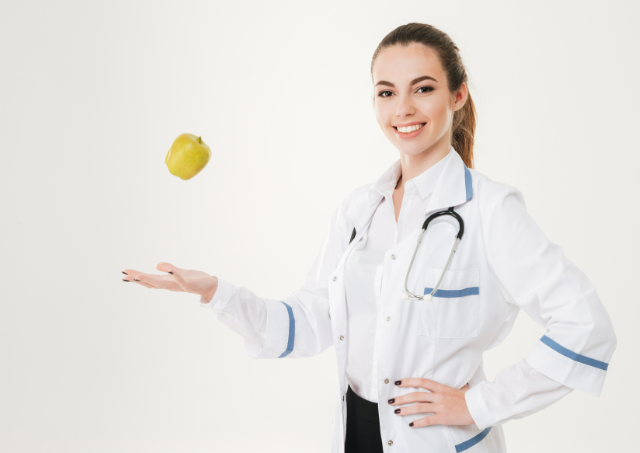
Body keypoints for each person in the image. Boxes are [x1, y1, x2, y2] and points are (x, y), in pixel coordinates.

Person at [122, 23, 617, 453]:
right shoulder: (361, 209)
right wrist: (213, 291)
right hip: (358, 433)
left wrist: (478, 404)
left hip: (436, 439)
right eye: (386, 92)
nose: (403, 108)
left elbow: (586, 327)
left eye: (423, 88)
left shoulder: (490, 210)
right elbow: (308, 322)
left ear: (458, 95)